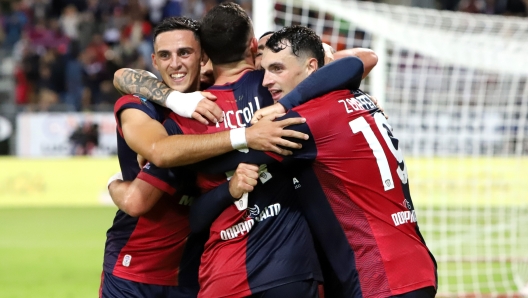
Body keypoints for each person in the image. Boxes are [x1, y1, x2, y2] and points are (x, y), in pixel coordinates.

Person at [194, 25, 438, 298]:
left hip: (378, 273)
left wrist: (170, 135)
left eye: (277, 69)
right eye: (263, 70)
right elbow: (359, 60)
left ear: (311, 67)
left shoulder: (306, 121)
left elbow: (216, 162)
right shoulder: (355, 96)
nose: (265, 82)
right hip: (411, 263)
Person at [100, 16, 310, 298]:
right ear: (154, 61)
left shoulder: (214, 96)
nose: (175, 63)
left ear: (204, 58)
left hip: (193, 269)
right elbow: (145, 181)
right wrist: (114, 181)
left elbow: (356, 60)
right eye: (165, 55)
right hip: (134, 268)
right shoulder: (140, 104)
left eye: (184, 53)